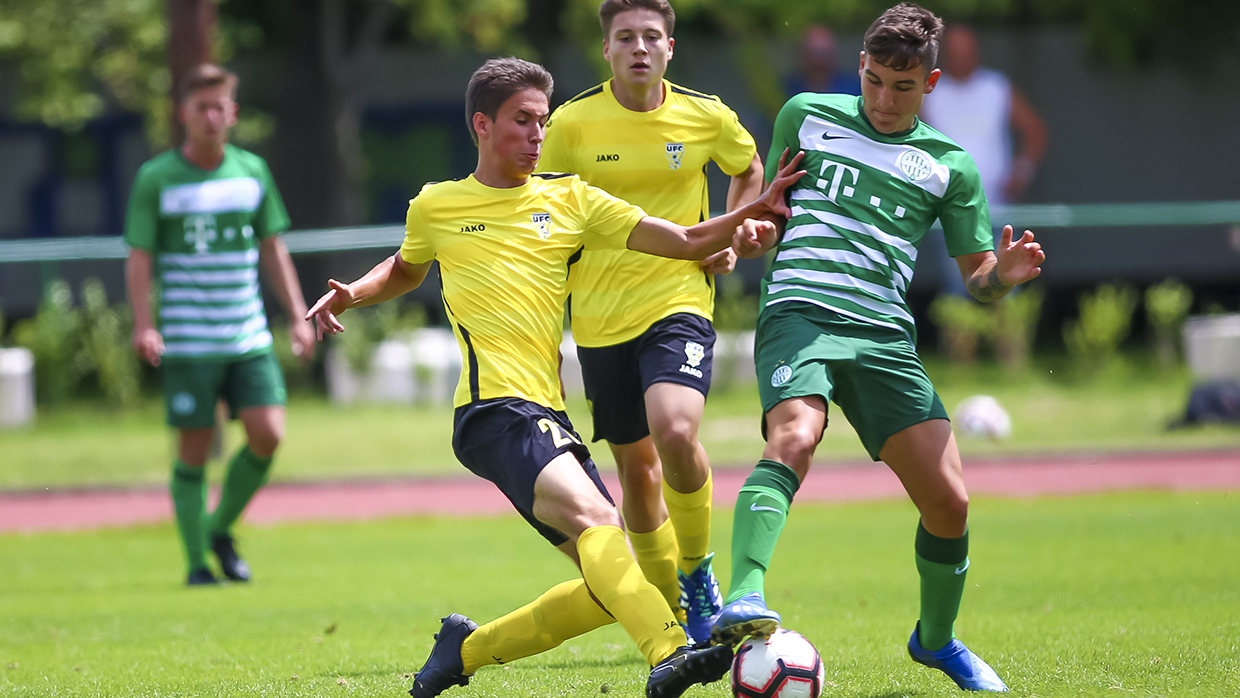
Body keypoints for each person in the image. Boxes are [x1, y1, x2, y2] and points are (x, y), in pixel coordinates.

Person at [304, 57, 805, 698]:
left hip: (549, 415)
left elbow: (683, 240)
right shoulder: (437, 204)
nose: (538, 134)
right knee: (600, 523)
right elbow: (406, 267)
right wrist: (353, 293)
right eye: (522, 120)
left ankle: (464, 650)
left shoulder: (571, 199)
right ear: (482, 125)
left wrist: (753, 209)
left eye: (542, 120)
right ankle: (670, 650)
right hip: (493, 409)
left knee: (613, 584)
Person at [709, 3, 1045, 693]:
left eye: (903, 87)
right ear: (860, 66)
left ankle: (937, 641)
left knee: (950, 504)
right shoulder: (805, 114)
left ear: (931, 83)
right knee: (795, 436)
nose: (885, 100)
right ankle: (743, 595)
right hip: (800, 313)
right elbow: (771, 216)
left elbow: (978, 279)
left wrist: (1003, 278)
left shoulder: (950, 166)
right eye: (874, 82)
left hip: (883, 334)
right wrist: (754, 234)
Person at [536, 0, 763, 644]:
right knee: (636, 471)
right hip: (600, 318)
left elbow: (747, 167)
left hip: (677, 300)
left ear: (670, 47)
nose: (639, 47)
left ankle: (697, 574)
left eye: (651, 36)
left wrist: (733, 229)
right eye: (626, 37)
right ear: (606, 49)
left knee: (675, 430)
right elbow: (541, 215)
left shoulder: (705, 115)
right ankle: (672, 613)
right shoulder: (570, 124)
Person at [124, 63, 314, 587]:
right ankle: (195, 566)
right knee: (194, 450)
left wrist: (297, 315)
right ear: (183, 113)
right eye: (200, 107)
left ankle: (217, 527)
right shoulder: (157, 177)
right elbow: (139, 256)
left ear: (232, 113)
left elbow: (272, 247)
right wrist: (144, 324)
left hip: (247, 335)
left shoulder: (251, 171)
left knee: (268, 434)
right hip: (189, 341)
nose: (210, 116)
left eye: (219, 106)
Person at [920, 24, 1048, 296]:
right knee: (958, 292)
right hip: (950, 212)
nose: (961, 58)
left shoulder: (996, 87)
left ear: (976, 52)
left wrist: (1021, 173)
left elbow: (1035, 130)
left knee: (1006, 290)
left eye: (966, 51)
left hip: (997, 209)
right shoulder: (930, 92)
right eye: (955, 52)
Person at [783, 25, 861, 98]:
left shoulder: (854, 89)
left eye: (823, 53)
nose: (817, 61)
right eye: (813, 53)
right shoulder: (786, 89)